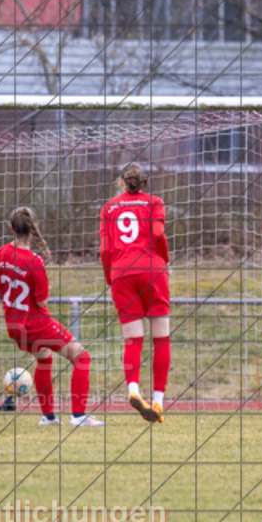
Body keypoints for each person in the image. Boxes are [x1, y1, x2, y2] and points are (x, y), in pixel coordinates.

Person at [0, 207, 104, 427]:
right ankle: (79, 416)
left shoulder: (1, 253)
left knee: (44, 359)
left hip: (14, 326)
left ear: (11, 228)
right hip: (37, 324)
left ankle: (49, 417)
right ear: (33, 228)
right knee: (82, 358)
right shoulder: (34, 261)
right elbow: (42, 301)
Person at [100, 163, 170, 423]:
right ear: (144, 183)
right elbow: (158, 234)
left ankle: (133, 390)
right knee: (160, 337)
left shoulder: (108, 207)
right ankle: (159, 400)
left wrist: (110, 276)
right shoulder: (155, 202)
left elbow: (106, 249)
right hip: (152, 270)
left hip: (121, 272)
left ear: (121, 182)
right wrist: (165, 260)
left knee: (132, 339)